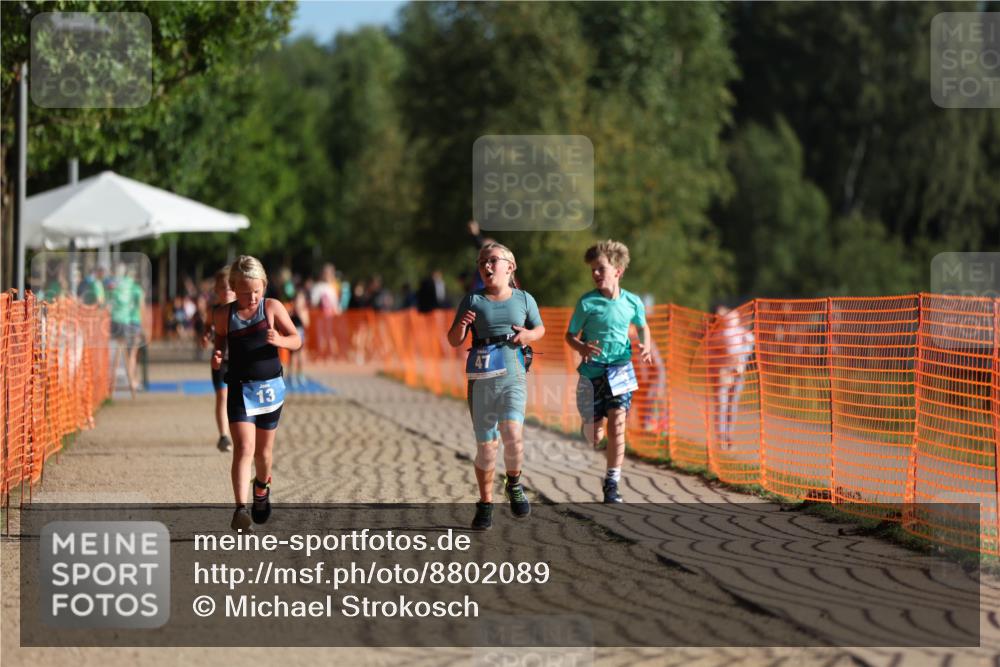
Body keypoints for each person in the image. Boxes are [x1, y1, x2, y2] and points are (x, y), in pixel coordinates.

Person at [447, 242, 545, 530]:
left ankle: (513, 484)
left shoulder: (524, 299)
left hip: (513, 376)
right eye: (481, 263)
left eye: (492, 261)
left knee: (513, 434)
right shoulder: (473, 300)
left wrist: (528, 335)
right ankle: (486, 503)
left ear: (510, 266)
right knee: (487, 448)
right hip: (481, 380)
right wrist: (462, 326)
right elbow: (453, 339)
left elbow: (540, 328)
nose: (486, 266)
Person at [211, 255, 302, 531]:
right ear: (233, 288)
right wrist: (217, 355)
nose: (251, 298)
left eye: (256, 291)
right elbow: (219, 342)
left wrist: (281, 340)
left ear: (264, 286)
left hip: (270, 390)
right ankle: (240, 510)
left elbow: (297, 339)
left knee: (263, 454)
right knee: (244, 448)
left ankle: (261, 488)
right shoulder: (223, 315)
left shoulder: (271, 307)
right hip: (240, 388)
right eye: (245, 292)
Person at [565, 240, 652, 503]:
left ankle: (612, 483)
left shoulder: (632, 302)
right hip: (591, 372)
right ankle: (590, 422)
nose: (595, 273)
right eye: (592, 269)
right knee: (595, 436)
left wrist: (646, 345)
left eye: (600, 268)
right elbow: (570, 336)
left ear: (618, 271)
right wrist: (581, 347)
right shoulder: (587, 303)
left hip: (620, 368)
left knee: (617, 425)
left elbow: (642, 326)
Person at [202, 266, 236, 452]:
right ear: (216, 290)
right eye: (223, 287)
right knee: (222, 396)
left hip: (240, 361)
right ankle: (224, 436)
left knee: (238, 398)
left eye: (230, 287)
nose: (227, 291)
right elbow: (207, 325)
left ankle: (241, 433)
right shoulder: (213, 311)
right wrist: (206, 335)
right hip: (220, 360)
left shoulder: (243, 309)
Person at [711, 305, 755, 449]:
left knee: (731, 405)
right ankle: (721, 438)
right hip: (722, 373)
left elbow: (748, 347)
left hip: (737, 374)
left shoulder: (744, 335)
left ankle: (728, 437)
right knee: (722, 405)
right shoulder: (719, 335)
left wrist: (738, 360)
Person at [288, 281, 311, 387]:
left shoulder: (304, 311)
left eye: (301, 300)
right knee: (293, 357)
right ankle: (291, 376)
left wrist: (301, 314)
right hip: (293, 336)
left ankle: (300, 375)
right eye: (297, 300)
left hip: (301, 336)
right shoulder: (291, 312)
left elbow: (307, 323)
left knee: (301, 357)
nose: (299, 302)